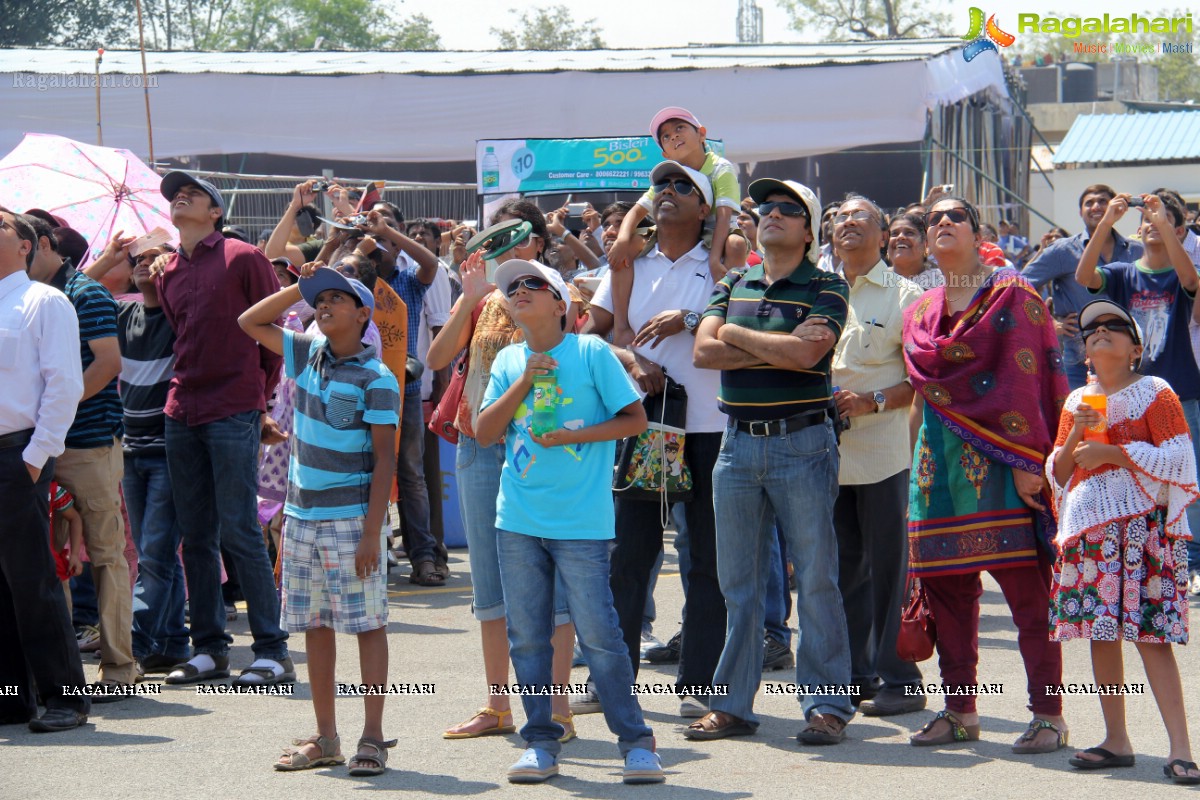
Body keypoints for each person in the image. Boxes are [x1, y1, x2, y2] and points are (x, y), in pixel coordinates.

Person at [474, 258, 663, 785]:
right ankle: (540, 739)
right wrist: (524, 380)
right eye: (513, 287)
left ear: (563, 305)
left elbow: (636, 419)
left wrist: (574, 437)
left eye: (533, 284)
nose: (520, 291)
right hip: (517, 519)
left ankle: (635, 740)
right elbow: (485, 430)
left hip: (581, 522)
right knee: (528, 637)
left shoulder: (591, 351)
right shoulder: (510, 358)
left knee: (601, 635)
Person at [690, 177, 854, 745]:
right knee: (736, 582)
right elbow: (703, 351)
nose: (773, 215)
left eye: (789, 209)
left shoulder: (828, 285)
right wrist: (772, 342)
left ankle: (828, 704)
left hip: (803, 444)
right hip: (737, 446)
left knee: (815, 579)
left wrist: (737, 332)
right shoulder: (735, 278)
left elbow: (810, 353)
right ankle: (732, 706)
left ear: (809, 231)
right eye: (766, 208)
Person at [904, 196, 1069, 753]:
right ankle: (959, 713)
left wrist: (1031, 466)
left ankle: (1048, 716)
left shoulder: (1013, 295)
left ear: (979, 235)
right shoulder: (922, 309)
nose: (942, 224)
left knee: (1027, 595)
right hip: (936, 471)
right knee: (947, 592)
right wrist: (913, 476)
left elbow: (1031, 385)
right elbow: (921, 399)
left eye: (955, 217)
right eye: (933, 221)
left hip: (1004, 465)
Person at [581, 161, 729, 719]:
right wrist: (631, 358)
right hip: (643, 428)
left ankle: (701, 685)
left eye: (682, 186)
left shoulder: (722, 262)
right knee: (629, 557)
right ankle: (613, 680)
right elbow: (588, 338)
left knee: (707, 561)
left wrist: (689, 318)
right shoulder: (627, 263)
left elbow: (743, 317)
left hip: (711, 430)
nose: (667, 193)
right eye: (660, 185)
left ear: (705, 207)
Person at [239, 264, 400, 776]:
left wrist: (373, 533)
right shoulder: (306, 353)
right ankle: (326, 737)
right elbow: (250, 320)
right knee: (314, 625)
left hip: (351, 519)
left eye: (336, 299)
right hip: (302, 516)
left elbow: (386, 462)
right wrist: (300, 288)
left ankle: (372, 737)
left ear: (362, 314)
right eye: (319, 300)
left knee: (368, 625)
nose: (324, 306)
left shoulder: (377, 378)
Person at [428, 200, 577, 742]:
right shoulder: (484, 299)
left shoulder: (563, 292)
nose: (501, 248)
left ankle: (557, 708)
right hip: (477, 441)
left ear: (537, 242)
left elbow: (569, 352)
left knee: (549, 577)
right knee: (488, 581)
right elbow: (437, 358)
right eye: (494, 239)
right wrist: (467, 299)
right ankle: (497, 705)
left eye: (515, 237)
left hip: (538, 445)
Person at [1047, 299, 1200, 784]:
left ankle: (1181, 747)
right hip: (1091, 531)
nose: (1100, 332)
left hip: (1142, 531)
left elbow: (1180, 458)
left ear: (1136, 348)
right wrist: (1076, 444)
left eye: (1115, 326)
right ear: (1086, 354)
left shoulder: (1157, 391)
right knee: (1100, 633)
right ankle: (1117, 738)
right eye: (1091, 329)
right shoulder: (1077, 402)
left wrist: (1112, 450)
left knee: (1151, 636)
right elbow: (1059, 470)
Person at [153, 170, 294, 687]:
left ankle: (273, 651)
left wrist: (258, 401)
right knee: (194, 536)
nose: (179, 197)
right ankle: (209, 648)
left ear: (216, 211)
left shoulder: (243, 257)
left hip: (232, 406)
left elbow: (271, 337)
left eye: (192, 192)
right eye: (174, 194)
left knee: (239, 527)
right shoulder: (166, 269)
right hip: (181, 407)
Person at [25, 213, 136, 697]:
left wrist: (55, 411)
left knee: (106, 556)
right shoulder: (24, 301)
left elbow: (108, 362)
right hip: (39, 446)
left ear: (43, 246)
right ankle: (61, 672)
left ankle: (118, 671)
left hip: (87, 444)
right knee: (51, 561)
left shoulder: (86, 294)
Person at [827, 195, 926, 714]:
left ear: (884, 234)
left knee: (888, 568)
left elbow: (921, 379)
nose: (847, 224)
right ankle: (856, 672)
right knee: (842, 568)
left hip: (884, 450)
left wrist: (873, 401)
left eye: (860, 218)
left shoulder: (907, 297)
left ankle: (901, 678)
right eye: (840, 218)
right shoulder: (818, 290)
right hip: (825, 451)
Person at [1076, 192, 1200, 598]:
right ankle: (1140, 555)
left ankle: (1189, 560)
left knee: (1183, 476)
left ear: (1178, 229)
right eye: (1146, 220)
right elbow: (1084, 277)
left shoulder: (1180, 269)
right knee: (1131, 474)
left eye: (1162, 220)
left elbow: (1192, 282)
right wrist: (1105, 224)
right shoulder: (1125, 273)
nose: (1150, 223)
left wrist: (1164, 223)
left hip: (1181, 390)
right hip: (1130, 392)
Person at [0, 206, 90, 732]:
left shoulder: (44, 301)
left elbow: (64, 386)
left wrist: (36, 458)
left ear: (25, 246)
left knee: (32, 579)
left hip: (17, 455)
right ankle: (12, 696)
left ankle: (66, 698)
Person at [85, 236, 189, 674]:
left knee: (155, 554)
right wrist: (108, 259)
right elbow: (67, 295)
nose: (144, 262)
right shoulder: (121, 310)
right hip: (130, 448)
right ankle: (173, 642)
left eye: (155, 255)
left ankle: (139, 645)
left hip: (170, 449)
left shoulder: (180, 315)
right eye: (138, 258)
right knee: (154, 551)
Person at [607, 107, 741, 345]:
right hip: (677, 232)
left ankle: (734, 305)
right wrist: (622, 240)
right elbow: (635, 213)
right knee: (625, 249)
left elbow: (723, 216)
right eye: (666, 136)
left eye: (680, 128)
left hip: (715, 231)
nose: (673, 137)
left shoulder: (721, 167)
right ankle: (621, 326)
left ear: (702, 133)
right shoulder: (665, 178)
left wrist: (713, 259)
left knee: (736, 243)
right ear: (664, 154)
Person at [1023, 184, 1142, 389]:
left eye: (1103, 201)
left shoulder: (1137, 251)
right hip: (1080, 362)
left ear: (1117, 208)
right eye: (1089, 203)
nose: (1096, 206)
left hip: (1130, 358)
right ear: (1080, 212)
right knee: (1082, 419)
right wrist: (1048, 323)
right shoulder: (1063, 251)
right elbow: (1018, 286)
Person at [887, 212, 943, 290]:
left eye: (909, 233)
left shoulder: (942, 283)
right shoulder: (876, 281)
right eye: (894, 234)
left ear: (925, 243)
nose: (900, 237)